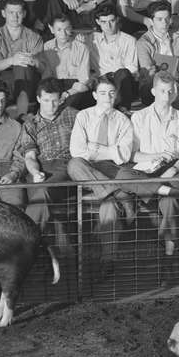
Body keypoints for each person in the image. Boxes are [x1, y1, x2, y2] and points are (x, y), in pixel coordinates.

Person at [114, 71, 179, 258]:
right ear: (153, 91)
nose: (166, 96)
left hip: (172, 170)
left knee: (171, 199)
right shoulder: (139, 117)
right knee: (122, 176)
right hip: (148, 169)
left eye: (170, 92)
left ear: (175, 92)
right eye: (162, 91)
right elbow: (133, 155)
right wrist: (156, 155)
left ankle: (168, 255)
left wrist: (174, 168)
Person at [67, 77, 134, 275]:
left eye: (112, 93)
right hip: (86, 171)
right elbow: (77, 151)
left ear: (117, 95)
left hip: (110, 170)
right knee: (73, 165)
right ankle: (120, 194)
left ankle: (108, 260)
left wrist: (96, 149)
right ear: (95, 95)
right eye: (103, 93)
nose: (107, 97)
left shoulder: (123, 120)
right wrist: (108, 150)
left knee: (109, 206)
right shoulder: (83, 116)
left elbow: (123, 155)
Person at [23, 78, 79, 248]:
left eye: (55, 100)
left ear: (61, 99)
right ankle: (43, 249)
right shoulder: (30, 124)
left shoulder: (73, 115)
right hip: (40, 168)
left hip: (66, 168)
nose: (51, 106)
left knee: (42, 193)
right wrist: (35, 172)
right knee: (39, 191)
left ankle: (25, 243)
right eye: (46, 100)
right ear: (39, 99)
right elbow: (30, 156)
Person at [0, 0, 42, 118]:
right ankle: (22, 114)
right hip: (3, 80)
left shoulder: (34, 37)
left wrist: (33, 61)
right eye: (11, 13)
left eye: (19, 13)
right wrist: (12, 60)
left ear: (24, 14)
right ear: (4, 13)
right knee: (17, 66)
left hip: (28, 79)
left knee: (22, 67)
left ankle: (21, 113)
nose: (15, 17)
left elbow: (41, 67)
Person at [89, 6, 138, 112]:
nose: (108, 26)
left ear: (117, 19)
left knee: (123, 73)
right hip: (100, 80)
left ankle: (121, 109)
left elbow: (132, 68)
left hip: (120, 81)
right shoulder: (91, 39)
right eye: (104, 22)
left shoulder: (129, 40)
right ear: (98, 22)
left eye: (112, 21)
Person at [136, 1, 179, 107]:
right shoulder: (143, 43)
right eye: (159, 19)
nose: (165, 23)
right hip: (153, 85)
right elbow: (148, 72)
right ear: (151, 21)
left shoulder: (178, 37)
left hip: (176, 82)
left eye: (167, 18)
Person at [39, 14, 92, 110]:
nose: (63, 34)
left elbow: (84, 79)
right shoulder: (47, 46)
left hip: (74, 86)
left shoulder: (82, 48)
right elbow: (47, 74)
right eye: (59, 30)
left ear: (71, 28)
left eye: (67, 29)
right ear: (51, 29)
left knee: (72, 103)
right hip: (55, 84)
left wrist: (68, 93)